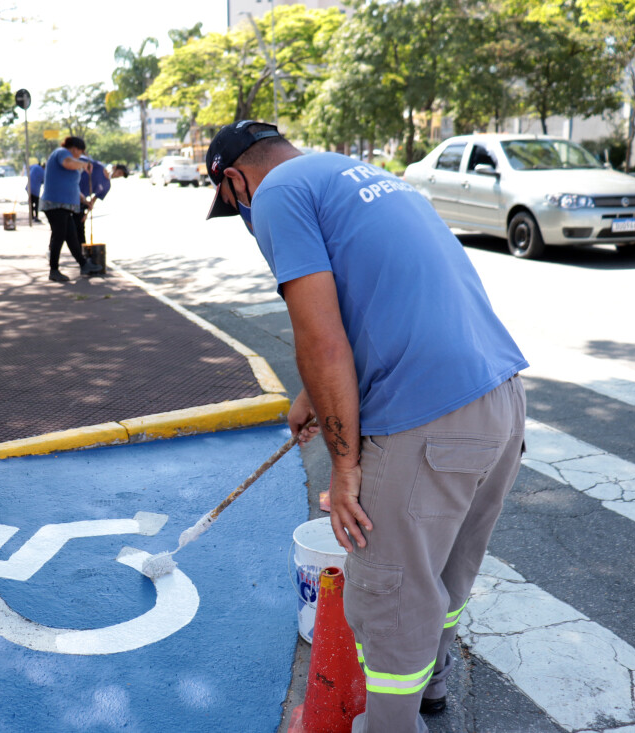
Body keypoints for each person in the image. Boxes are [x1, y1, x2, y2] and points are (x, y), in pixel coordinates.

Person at [205, 121, 528, 733]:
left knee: (389, 594)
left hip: (426, 421)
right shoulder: (365, 176)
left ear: (234, 180)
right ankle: (433, 687)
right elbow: (382, 300)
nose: (244, 215)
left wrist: (344, 465)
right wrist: (311, 396)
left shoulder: (274, 194)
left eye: (232, 205)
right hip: (500, 402)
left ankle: (391, 725)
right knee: (444, 571)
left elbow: (321, 340)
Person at [40, 136, 102, 282]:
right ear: (75, 148)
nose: (80, 155)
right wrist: (83, 164)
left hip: (64, 205)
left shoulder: (72, 160)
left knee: (71, 236)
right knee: (59, 235)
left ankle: (84, 264)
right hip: (55, 204)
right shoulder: (61, 153)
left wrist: (84, 201)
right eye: (80, 152)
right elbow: (68, 163)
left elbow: (72, 186)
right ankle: (54, 270)